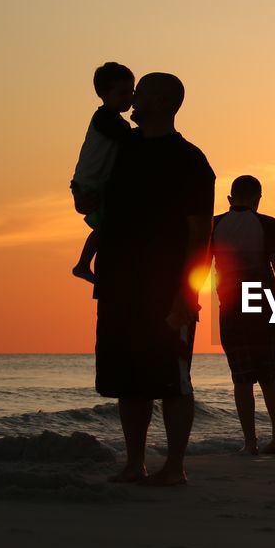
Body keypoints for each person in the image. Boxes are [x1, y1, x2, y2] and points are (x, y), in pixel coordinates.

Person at [94, 72, 215, 485]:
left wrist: (188, 292)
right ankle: (134, 463)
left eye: (140, 91)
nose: (132, 98)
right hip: (118, 282)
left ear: (163, 101)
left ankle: (175, 466)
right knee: (129, 379)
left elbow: (201, 233)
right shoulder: (121, 148)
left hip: (168, 288)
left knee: (172, 380)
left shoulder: (190, 159)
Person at [210, 175, 275, 455]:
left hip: (230, 306)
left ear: (229, 199)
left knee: (241, 378)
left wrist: (189, 303)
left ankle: (249, 442)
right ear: (258, 199)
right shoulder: (267, 223)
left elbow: (200, 266)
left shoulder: (214, 224)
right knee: (268, 374)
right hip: (263, 303)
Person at [71, 62, 136, 283]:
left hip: (93, 182)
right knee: (106, 227)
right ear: (103, 94)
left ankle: (82, 265)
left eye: (132, 92)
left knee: (106, 227)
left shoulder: (114, 120)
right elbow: (128, 141)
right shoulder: (104, 118)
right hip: (90, 183)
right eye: (123, 93)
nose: (129, 98)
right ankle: (82, 265)